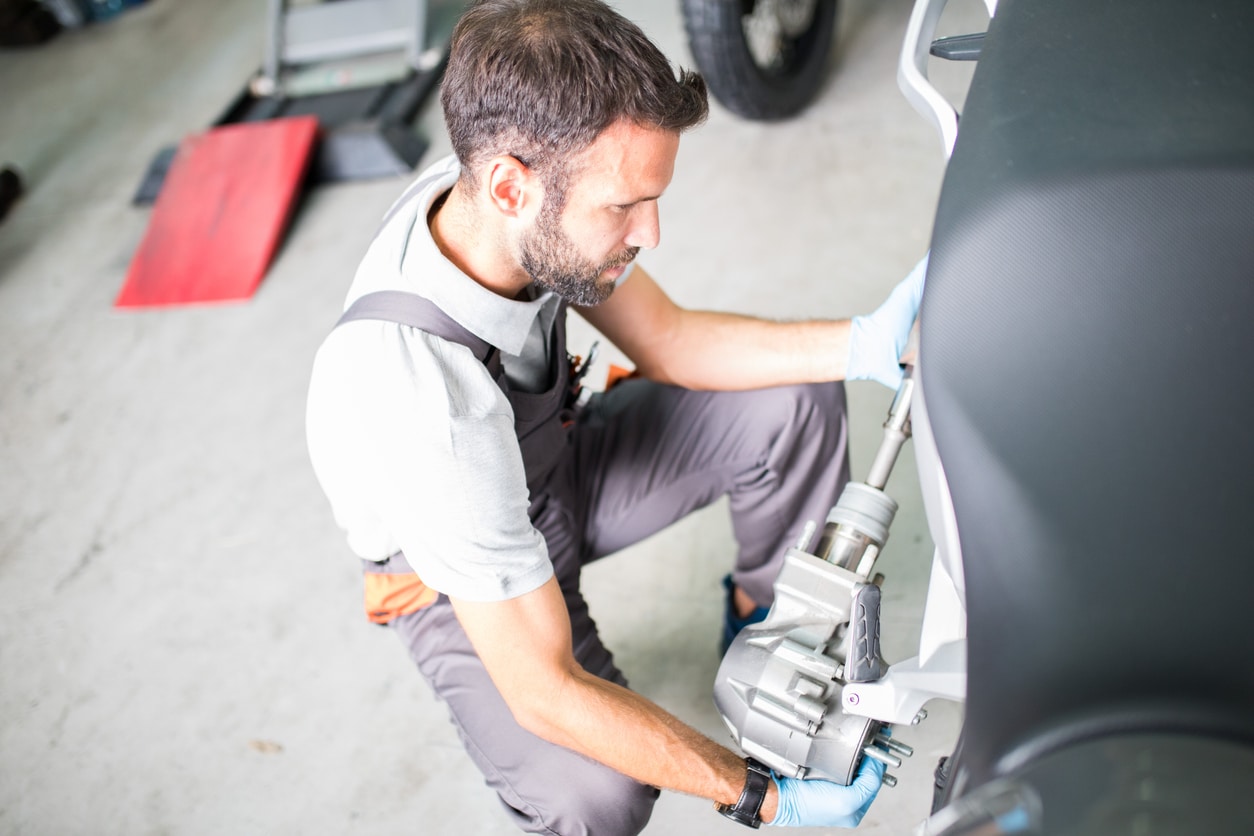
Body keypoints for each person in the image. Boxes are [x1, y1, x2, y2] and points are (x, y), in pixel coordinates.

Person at [306, 1, 926, 832]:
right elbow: (543, 687)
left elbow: (669, 340)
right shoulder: (425, 397)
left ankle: (771, 637)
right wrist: (762, 794)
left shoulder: (500, 208)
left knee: (791, 400)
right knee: (594, 793)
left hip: (555, 475)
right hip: (452, 579)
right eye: (624, 207)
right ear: (511, 186)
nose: (652, 232)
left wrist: (862, 343)